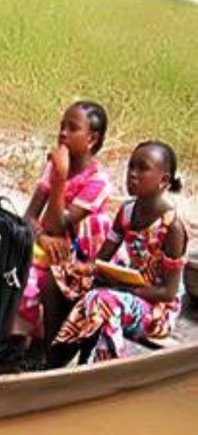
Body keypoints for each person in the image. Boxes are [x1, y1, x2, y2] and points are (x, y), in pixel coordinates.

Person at [48, 141, 187, 366]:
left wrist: (124, 288)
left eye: (143, 168)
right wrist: (84, 268)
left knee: (102, 299)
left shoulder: (172, 228)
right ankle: (53, 353)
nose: (133, 174)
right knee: (59, 277)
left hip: (157, 310)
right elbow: (101, 259)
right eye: (131, 167)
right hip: (130, 289)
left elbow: (168, 293)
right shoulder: (126, 212)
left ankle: (99, 367)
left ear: (163, 180)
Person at [5, 101, 114, 365]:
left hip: (81, 258)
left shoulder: (98, 181)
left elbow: (58, 223)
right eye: (61, 126)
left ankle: (41, 350)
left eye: (72, 128)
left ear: (91, 139)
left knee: (38, 282)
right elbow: (28, 216)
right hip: (51, 250)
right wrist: (41, 237)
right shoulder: (54, 167)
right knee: (18, 277)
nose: (63, 133)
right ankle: (13, 350)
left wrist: (61, 177)